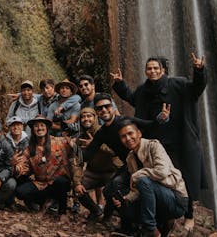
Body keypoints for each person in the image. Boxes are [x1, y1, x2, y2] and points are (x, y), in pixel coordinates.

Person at [111, 53, 206, 231]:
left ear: (163, 70)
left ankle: (189, 216)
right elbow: (132, 98)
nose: (152, 71)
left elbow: (196, 90)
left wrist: (199, 70)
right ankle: (162, 218)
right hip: (156, 143)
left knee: (183, 178)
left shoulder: (178, 84)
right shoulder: (143, 90)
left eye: (156, 68)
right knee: (158, 180)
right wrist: (120, 84)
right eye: (149, 68)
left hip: (179, 142)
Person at [82, 93, 165, 224]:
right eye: (99, 108)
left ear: (112, 106)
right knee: (109, 190)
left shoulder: (125, 121)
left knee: (117, 187)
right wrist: (72, 147)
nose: (104, 110)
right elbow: (88, 153)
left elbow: (149, 125)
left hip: (144, 163)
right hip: (127, 165)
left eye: (106, 106)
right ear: (96, 112)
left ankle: (137, 222)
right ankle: (109, 217)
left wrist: (161, 118)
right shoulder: (102, 133)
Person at [113, 120, 188, 237]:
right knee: (126, 207)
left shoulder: (153, 145)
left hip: (176, 199)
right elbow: (138, 189)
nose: (128, 138)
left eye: (130, 133)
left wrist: (139, 174)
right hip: (157, 201)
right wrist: (126, 199)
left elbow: (162, 172)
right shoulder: (130, 158)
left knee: (143, 180)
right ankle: (155, 227)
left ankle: (150, 230)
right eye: (123, 136)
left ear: (139, 133)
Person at [15, 115, 82, 215]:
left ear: (47, 128)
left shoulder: (60, 142)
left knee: (61, 182)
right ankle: (44, 202)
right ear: (33, 129)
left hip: (59, 183)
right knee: (20, 191)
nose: (39, 128)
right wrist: (17, 167)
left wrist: (75, 144)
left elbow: (77, 150)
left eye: (42, 125)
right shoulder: (30, 149)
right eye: (36, 126)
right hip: (41, 184)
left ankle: (62, 212)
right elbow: (24, 166)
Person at [74, 107, 122, 220]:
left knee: (114, 192)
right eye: (83, 117)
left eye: (89, 116)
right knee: (78, 189)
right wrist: (77, 182)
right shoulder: (79, 140)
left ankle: (110, 214)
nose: (86, 119)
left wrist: (96, 144)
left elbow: (115, 151)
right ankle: (96, 211)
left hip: (111, 171)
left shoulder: (105, 131)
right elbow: (78, 161)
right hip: (93, 172)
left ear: (95, 118)